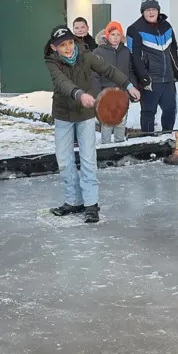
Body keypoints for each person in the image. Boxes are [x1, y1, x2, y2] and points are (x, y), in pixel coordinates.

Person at [44, 25, 141, 223]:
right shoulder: (51, 61)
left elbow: (108, 69)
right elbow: (62, 83)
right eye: (62, 45)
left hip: (85, 113)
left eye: (70, 43)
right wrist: (79, 94)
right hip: (63, 114)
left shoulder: (86, 55)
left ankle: (91, 204)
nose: (68, 48)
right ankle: (73, 201)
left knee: (88, 158)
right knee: (64, 160)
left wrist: (128, 85)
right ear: (54, 48)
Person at [126, 0, 178, 133]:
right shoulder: (134, 29)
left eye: (153, 9)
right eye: (147, 10)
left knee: (170, 110)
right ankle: (148, 140)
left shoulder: (167, 27)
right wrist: (143, 78)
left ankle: (167, 137)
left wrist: (177, 71)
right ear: (142, 12)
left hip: (168, 80)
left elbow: (173, 51)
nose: (151, 12)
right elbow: (134, 57)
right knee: (148, 113)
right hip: (150, 81)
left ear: (158, 10)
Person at [92, 21, 137, 144]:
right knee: (107, 124)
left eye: (118, 35)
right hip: (106, 95)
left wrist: (132, 89)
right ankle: (106, 147)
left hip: (122, 94)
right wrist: (97, 95)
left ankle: (119, 146)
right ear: (107, 35)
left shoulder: (126, 52)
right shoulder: (98, 52)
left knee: (121, 123)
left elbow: (130, 71)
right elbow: (94, 76)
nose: (115, 37)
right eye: (112, 34)